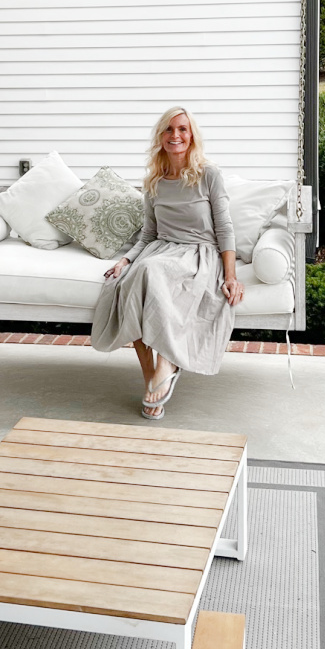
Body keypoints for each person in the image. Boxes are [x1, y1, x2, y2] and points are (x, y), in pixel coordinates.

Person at [91, 106, 243, 419]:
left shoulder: (208, 175)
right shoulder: (154, 183)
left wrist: (231, 277)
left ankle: (166, 362)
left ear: (192, 135)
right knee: (128, 281)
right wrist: (124, 260)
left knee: (148, 271)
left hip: (199, 254)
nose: (176, 136)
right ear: (161, 137)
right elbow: (147, 235)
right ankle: (151, 373)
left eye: (183, 129)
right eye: (169, 130)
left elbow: (225, 228)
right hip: (159, 250)